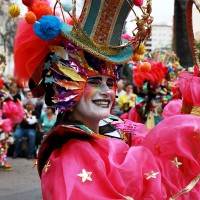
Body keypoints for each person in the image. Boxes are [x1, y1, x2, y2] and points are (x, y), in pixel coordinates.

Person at [13, 0, 200, 199]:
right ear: (64, 82)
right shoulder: (69, 155)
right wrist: (186, 129)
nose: (106, 92)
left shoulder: (117, 125)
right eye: (94, 81)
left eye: (110, 83)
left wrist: (187, 115)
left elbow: (151, 149)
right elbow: (143, 170)